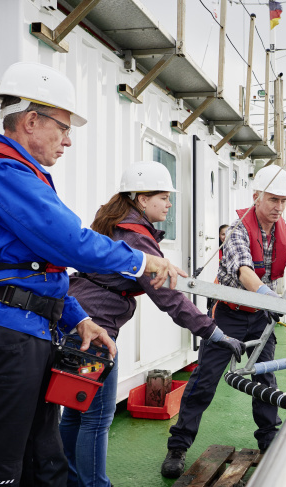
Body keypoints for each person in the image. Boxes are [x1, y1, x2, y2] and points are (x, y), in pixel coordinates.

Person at [0, 62, 181, 487]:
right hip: (5, 335)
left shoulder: (24, 177)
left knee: (43, 459)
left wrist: (79, 319)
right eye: (63, 127)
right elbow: (70, 242)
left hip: (28, 332)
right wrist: (142, 262)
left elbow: (40, 270)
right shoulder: (2, 174)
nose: (68, 141)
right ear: (32, 121)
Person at [59, 162, 245, 487]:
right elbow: (168, 299)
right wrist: (213, 332)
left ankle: (67, 479)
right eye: (164, 197)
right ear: (142, 200)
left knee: (76, 409)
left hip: (76, 322)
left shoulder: (117, 225)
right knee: (97, 417)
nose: (169, 204)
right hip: (94, 333)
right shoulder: (136, 237)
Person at [160, 164, 286, 478]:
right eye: (273, 200)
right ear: (256, 197)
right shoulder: (239, 229)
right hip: (229, 316)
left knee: (266, 378)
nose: (279, 207)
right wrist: (271, 298)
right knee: (204, 382)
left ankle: (268, 440)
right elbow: (244, 272)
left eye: (283, 201)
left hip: (262, 317)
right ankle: (178, 447)